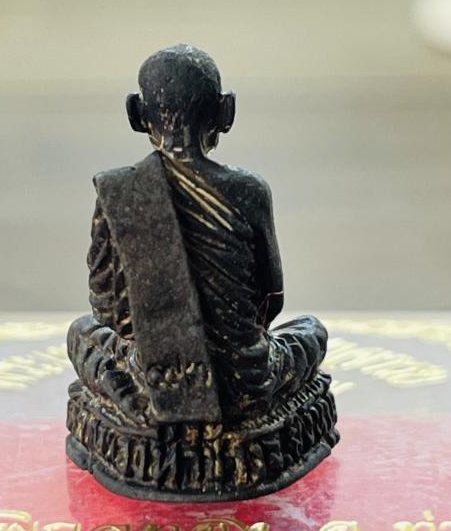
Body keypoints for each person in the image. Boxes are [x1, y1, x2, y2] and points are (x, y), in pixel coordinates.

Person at [66, 44, 338, 501]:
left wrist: (163, 350)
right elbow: (272, 299)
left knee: (81, 333)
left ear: (136, 114)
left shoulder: (119, 191)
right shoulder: (247, 190)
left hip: (146, 372)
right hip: (246, 379)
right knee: (311, 331)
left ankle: (140, 401)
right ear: (226, 111)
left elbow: (106, 308)